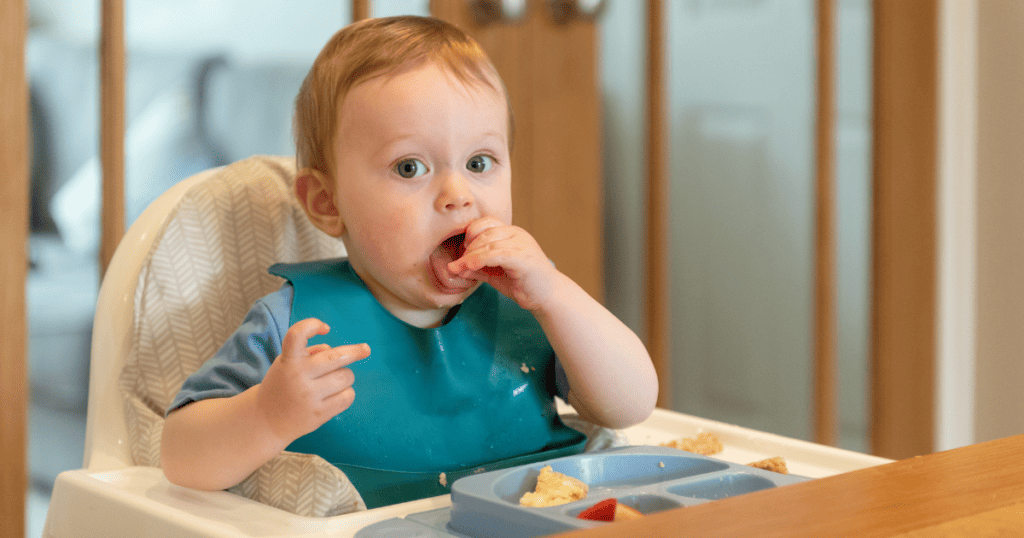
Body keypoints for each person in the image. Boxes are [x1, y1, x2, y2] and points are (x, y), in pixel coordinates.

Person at [160, 15, 658, 508]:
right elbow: (180, 458)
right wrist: (267, 415)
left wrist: (554, 293)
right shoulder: (297, 329)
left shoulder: (532, 308)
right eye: (410, 168)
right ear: (327, 203)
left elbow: (630, 405)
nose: (458, 195)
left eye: (479, 163)